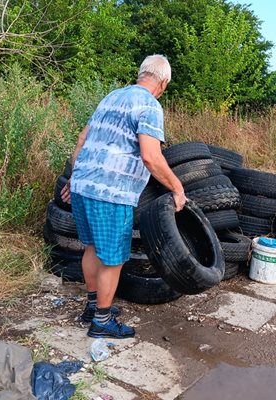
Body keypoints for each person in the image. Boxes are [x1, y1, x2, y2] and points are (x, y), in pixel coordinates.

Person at [61, 54, 187, 339]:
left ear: (141, 73)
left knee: (92, 247)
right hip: (111, 192)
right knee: (114, 258)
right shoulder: (150, 106)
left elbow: (82, 139)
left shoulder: (112, 97)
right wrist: (177, 189)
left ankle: (93, 308)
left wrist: (74, 176)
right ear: (163, 83)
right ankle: (102, 322)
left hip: (83, 185)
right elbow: (150, 157)